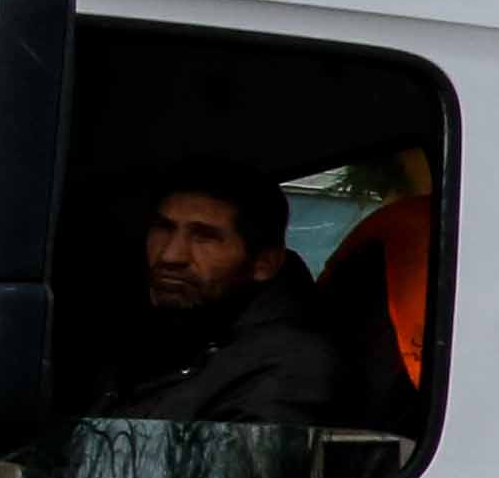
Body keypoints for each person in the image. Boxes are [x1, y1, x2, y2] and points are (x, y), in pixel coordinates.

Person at [82, 169, 347, 427]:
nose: (170, 256)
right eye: (164, 229)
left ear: (263, 264)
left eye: (204, 237)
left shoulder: (289, 367)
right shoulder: (150, 334)